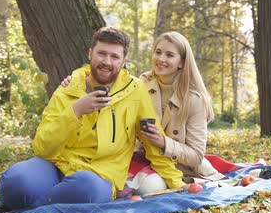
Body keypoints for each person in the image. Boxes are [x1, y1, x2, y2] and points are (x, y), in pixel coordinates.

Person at [0, 27, 183, 213]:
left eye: (115, 57)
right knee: (14, 182)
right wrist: (75, 111)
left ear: (124, 62)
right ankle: (29, 202)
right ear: (90, 54)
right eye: (101, 54)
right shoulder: (69, 87)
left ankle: (7, 210)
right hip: (57, 166)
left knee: (85, 189)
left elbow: (151, 139)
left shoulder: (136, 91)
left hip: (99, 175)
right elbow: (42, 147)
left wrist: (177, 184)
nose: (107, 62)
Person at [62, 31, 224, 195]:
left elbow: (196, 155)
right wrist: (76, 80)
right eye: (158, 52)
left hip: (180, 168)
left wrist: (164, 143)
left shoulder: (193, 99)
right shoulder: (143, 83)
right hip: (143, 160)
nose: (161, 59)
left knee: (147, 188)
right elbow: (111, 81)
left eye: (169, 55)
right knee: (112, 183)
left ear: (181, 62)